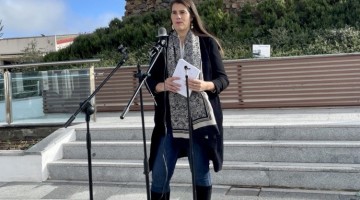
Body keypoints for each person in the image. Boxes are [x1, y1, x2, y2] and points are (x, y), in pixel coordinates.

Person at [146, 0, 229, 199]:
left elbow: (222, 79)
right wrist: (162, 85)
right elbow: (149, 80)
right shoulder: (163, 46)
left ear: (191, 16)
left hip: (199, 123)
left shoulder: (207, 43)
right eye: (174, 13)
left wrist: (205, 85)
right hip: (169, 123)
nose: (178, 17)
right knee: (159, 176)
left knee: (200, 174)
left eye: (182, 12)